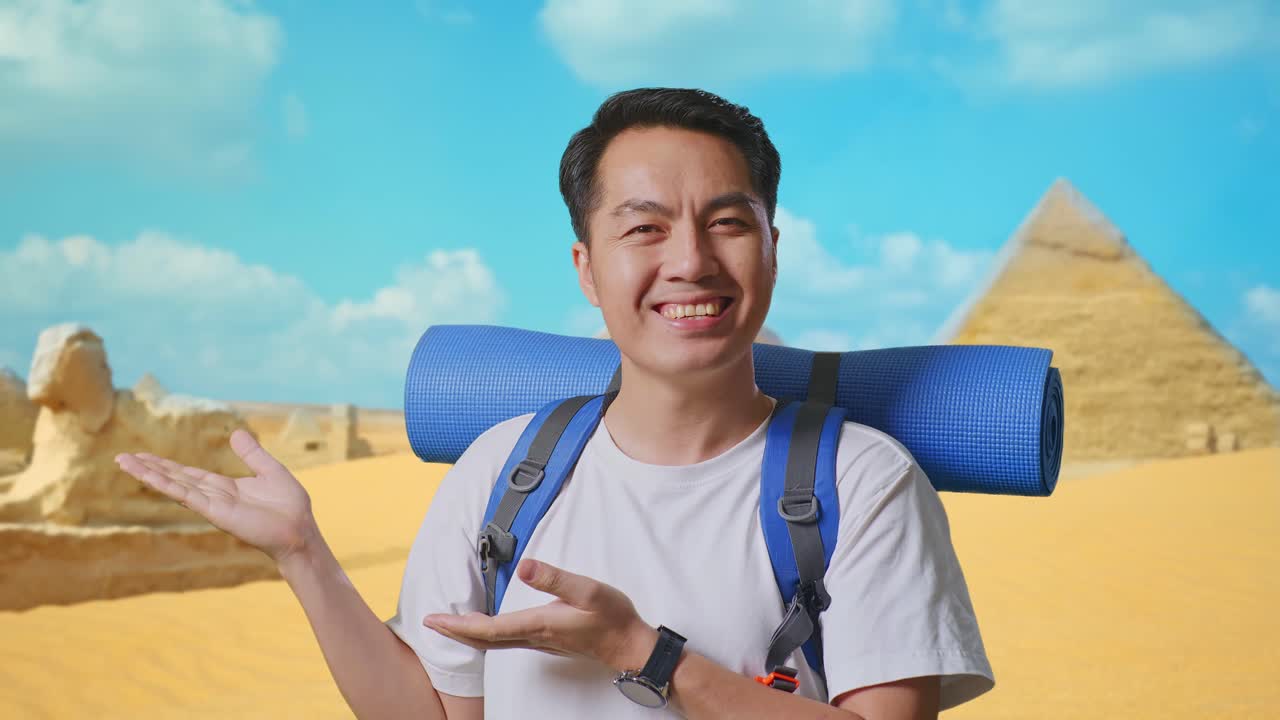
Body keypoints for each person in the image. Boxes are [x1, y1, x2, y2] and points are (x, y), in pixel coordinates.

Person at [116, 87, 994, 719]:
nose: (691, 260)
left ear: (772, 248)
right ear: (587, 269)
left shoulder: (863, 481)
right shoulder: (506, 468)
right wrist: (303, 554)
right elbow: (435, 711)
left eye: (728, 222)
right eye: (645, 228)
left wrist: (642, 653)